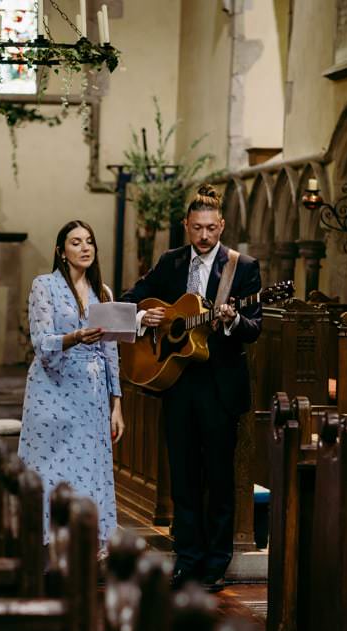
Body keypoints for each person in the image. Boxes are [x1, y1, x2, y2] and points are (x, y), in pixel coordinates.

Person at [121, 184, 262, 592]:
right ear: (186, 225)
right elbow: (133, 296)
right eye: (197, 228)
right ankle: (187, 560)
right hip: (178, 381)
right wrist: (144, 318)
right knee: (182, 477)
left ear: (222, 225)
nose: (204, 236)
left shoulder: (242, 267)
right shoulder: (171, 262)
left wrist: (233, 320)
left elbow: (254, 326)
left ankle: (216, 563)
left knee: (217, 479)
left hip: (219, 385)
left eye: (211, 228)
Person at [18, 220, 125, 552]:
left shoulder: (102, 292)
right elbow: (41, 341)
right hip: (53, 388)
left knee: (89, 467)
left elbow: (110, 350)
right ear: (61, 251)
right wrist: (74, 337)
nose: (85, 248)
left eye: (89, 241)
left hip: (92, 395)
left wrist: (117, 403)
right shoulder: (44, 285)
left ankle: (84, 544)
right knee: (50, 468)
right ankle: (45, 543)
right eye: (76, 242)